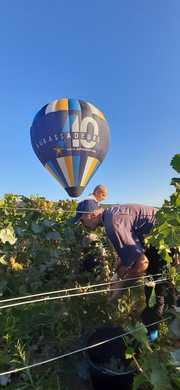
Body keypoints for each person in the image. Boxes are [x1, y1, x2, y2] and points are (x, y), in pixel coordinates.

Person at [72, 199, 177, 317]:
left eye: (81, 220)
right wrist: (121, 269)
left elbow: (142, 263)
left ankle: (166, 317)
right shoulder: (111, 214)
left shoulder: (113, 225)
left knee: (160, 280)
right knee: (156, 279)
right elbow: (132, 249)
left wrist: (120, 286)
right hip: (159, 235)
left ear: (91, 215)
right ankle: (165, 312)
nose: (82, 224)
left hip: (167, 237)